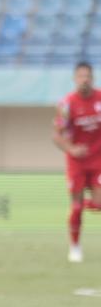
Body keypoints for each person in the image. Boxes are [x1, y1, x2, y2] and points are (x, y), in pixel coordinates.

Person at [53, 61, 101, 262]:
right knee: (76, 207)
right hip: (77, 163)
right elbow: (57, 135)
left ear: (93, 78)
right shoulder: (67, 104)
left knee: (99, 204)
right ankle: (75, 246)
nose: (85, 80)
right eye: (81, 76)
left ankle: (87, 204)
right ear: (75, 79)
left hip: (98, 159)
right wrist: (71, 148)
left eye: (88, 76)